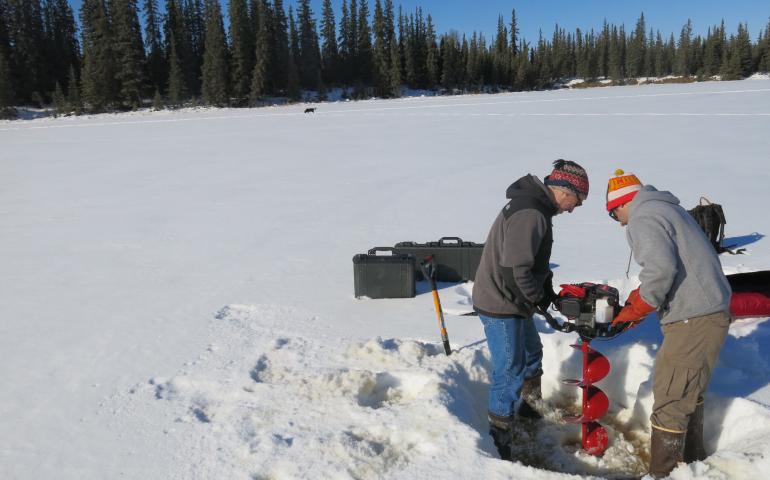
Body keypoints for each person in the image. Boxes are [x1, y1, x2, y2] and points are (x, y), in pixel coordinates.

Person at [606, 169, 732, 477]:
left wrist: (637, 307)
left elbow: (660, 270)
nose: (619, 222)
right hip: (706, 311)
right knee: (688, 391)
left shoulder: (643, 216)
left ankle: (662, 473)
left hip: (694, 316)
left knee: (672, 397)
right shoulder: (668, 208)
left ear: (621, 204)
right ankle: (690, 465)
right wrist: (641, 297)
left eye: (614, 215)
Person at [472, 159, 589, 461]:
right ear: (564, 190)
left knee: (531, 354)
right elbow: (516, 269)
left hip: (512, 299)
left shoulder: (536, 209)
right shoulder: (531, 213)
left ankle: (529, 407)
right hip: (501, 302)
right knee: (509, 370)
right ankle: (499, 439)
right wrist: (537, 298)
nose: (573, 209)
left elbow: (533, 263)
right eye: (576, 201)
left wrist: (547, 291)